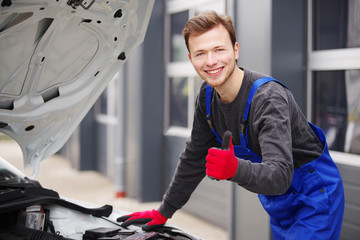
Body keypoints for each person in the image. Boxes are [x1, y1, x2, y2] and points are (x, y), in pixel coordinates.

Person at [117, 10, 345, 239]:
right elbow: (194, 157)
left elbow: (280, 175)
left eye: (219, 49)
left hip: (316, 196)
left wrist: (235, 168)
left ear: (235, 50)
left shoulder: (267, 99)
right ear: (190, 59)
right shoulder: (207, 98)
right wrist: (164, 211)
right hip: (280, 203)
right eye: (200, 53)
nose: (211, 61)